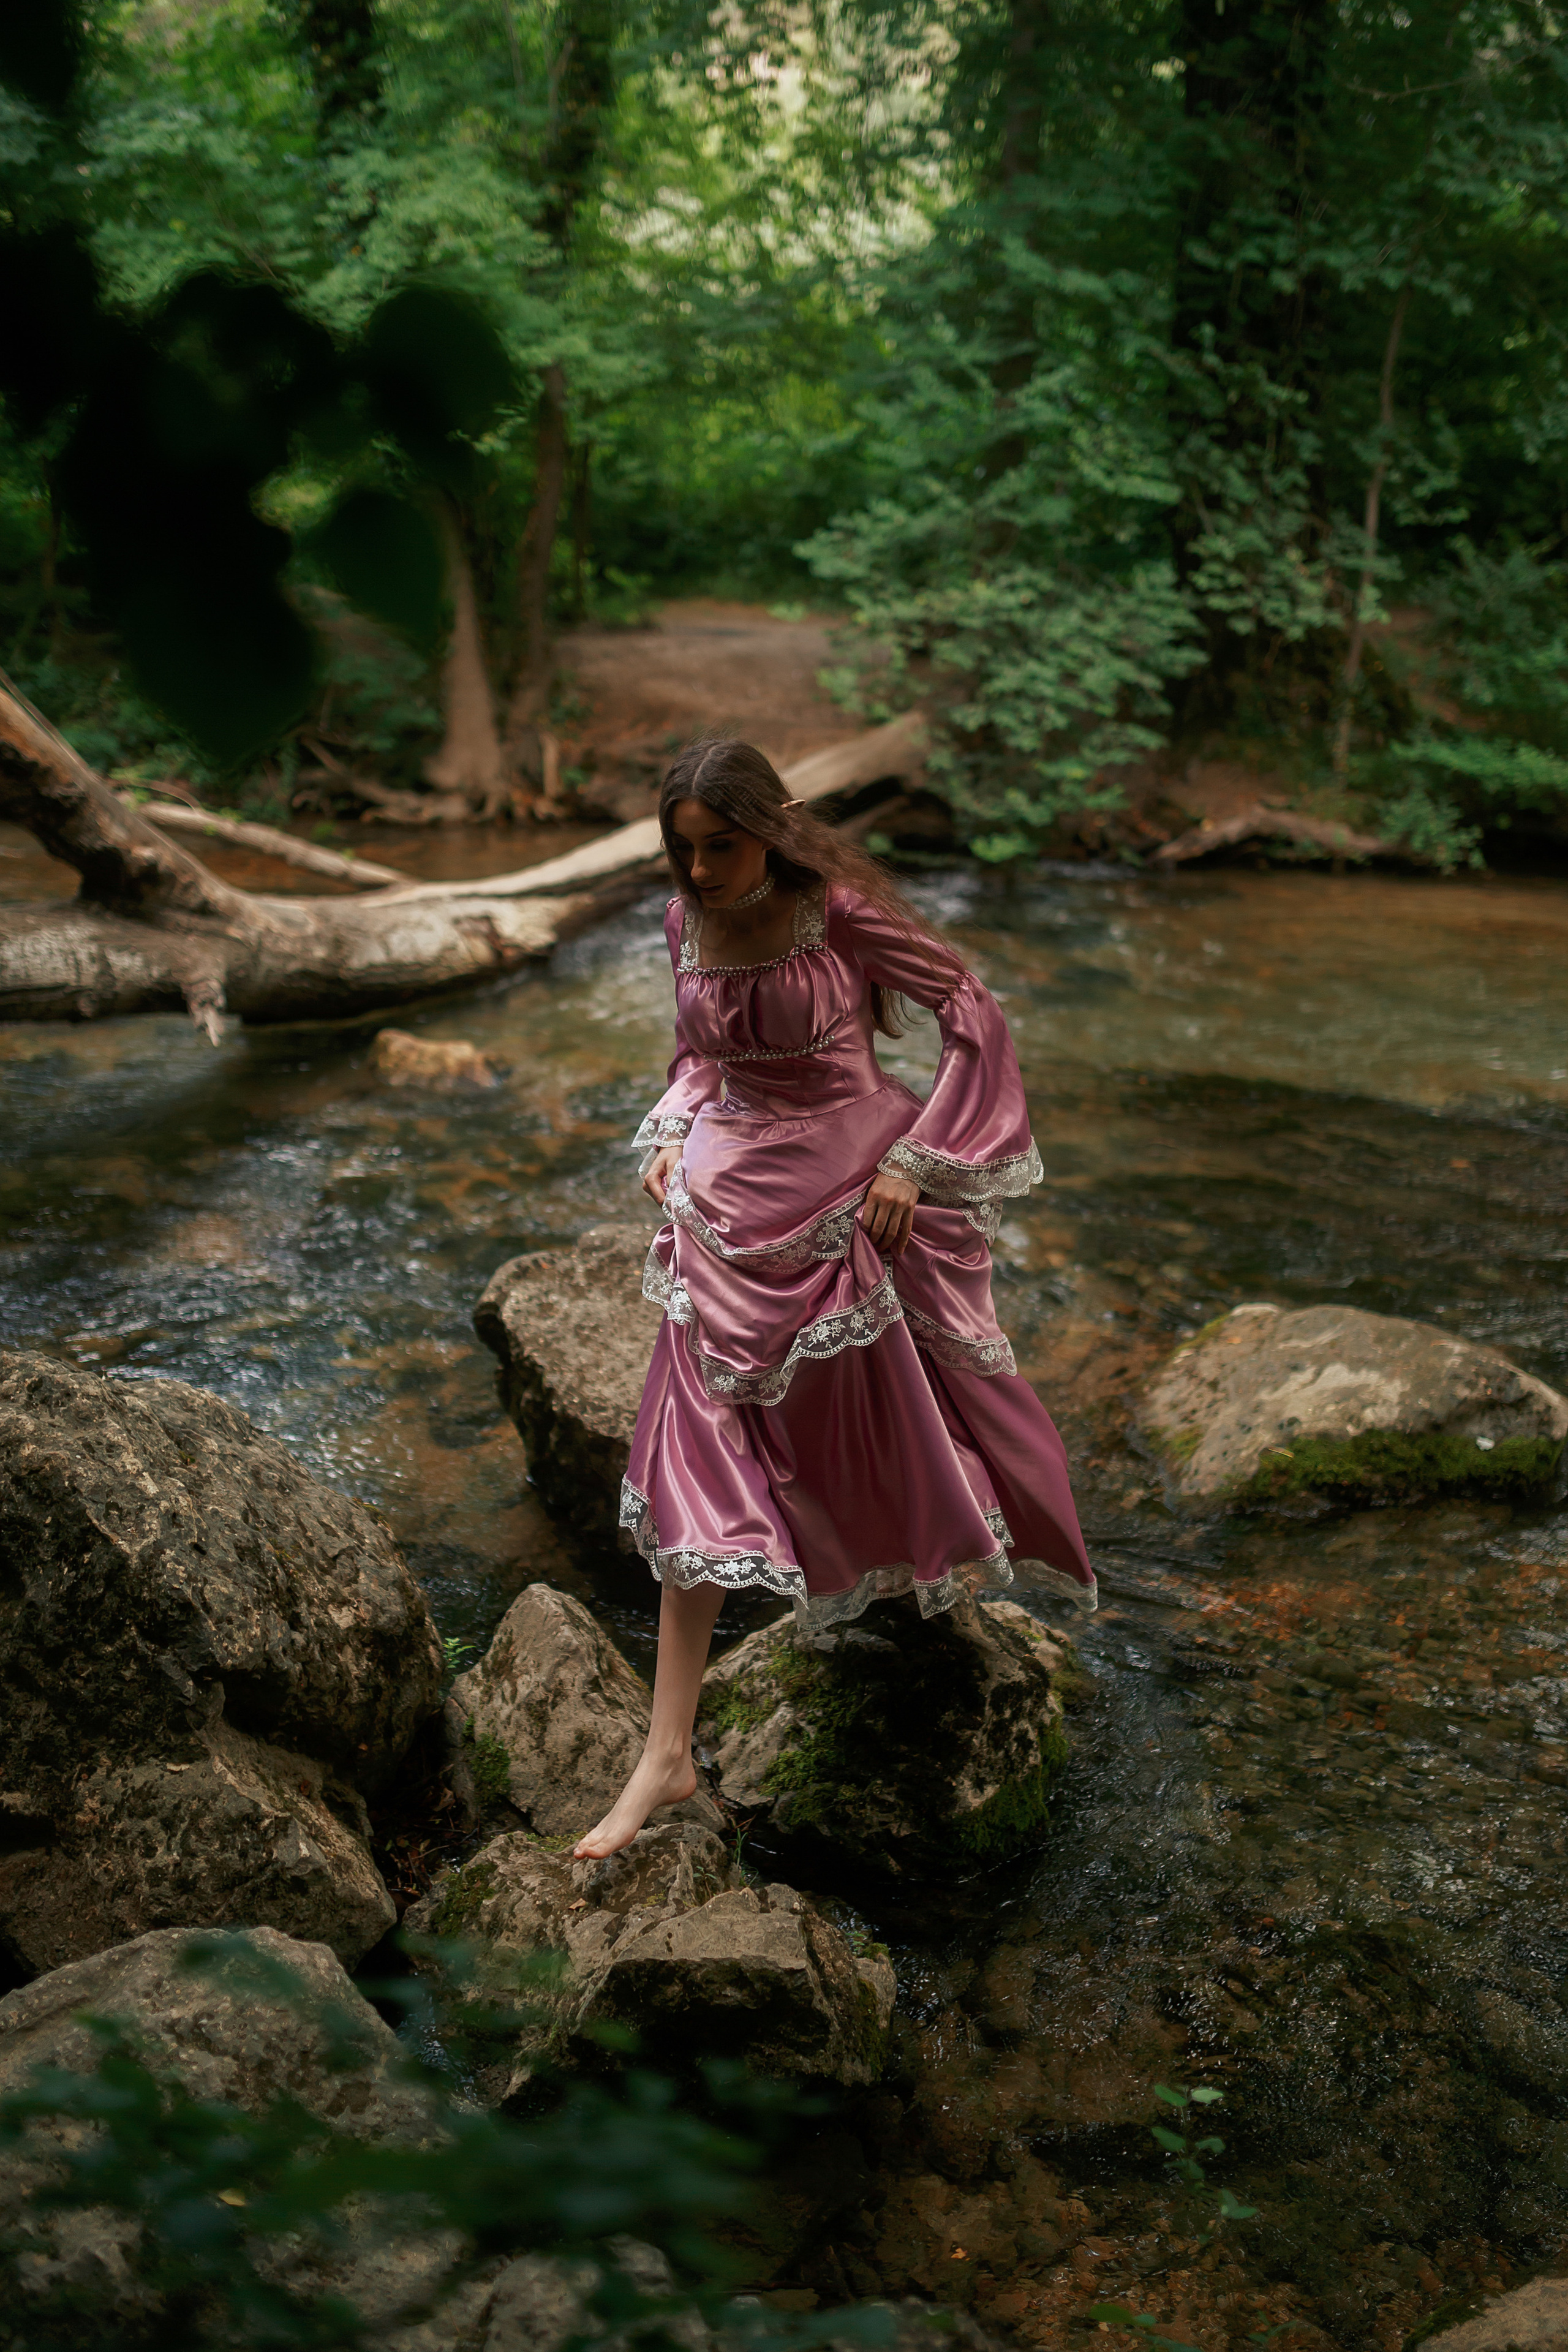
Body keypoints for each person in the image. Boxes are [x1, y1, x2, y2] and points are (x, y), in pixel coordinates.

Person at [573, 739, 1095, 1860]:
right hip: (722, 1204)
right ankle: (665, 1753)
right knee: (692, 1464)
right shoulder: (682, 924)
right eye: (684, 849)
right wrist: (673, 1129)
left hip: (851, 1187)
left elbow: (971, 1007)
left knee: (896, 1412)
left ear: (775, 827)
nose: (701, 870)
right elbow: (698, 1056)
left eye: (722, 845)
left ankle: (916, 1588)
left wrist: (916, 1159)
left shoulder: (840, 912)